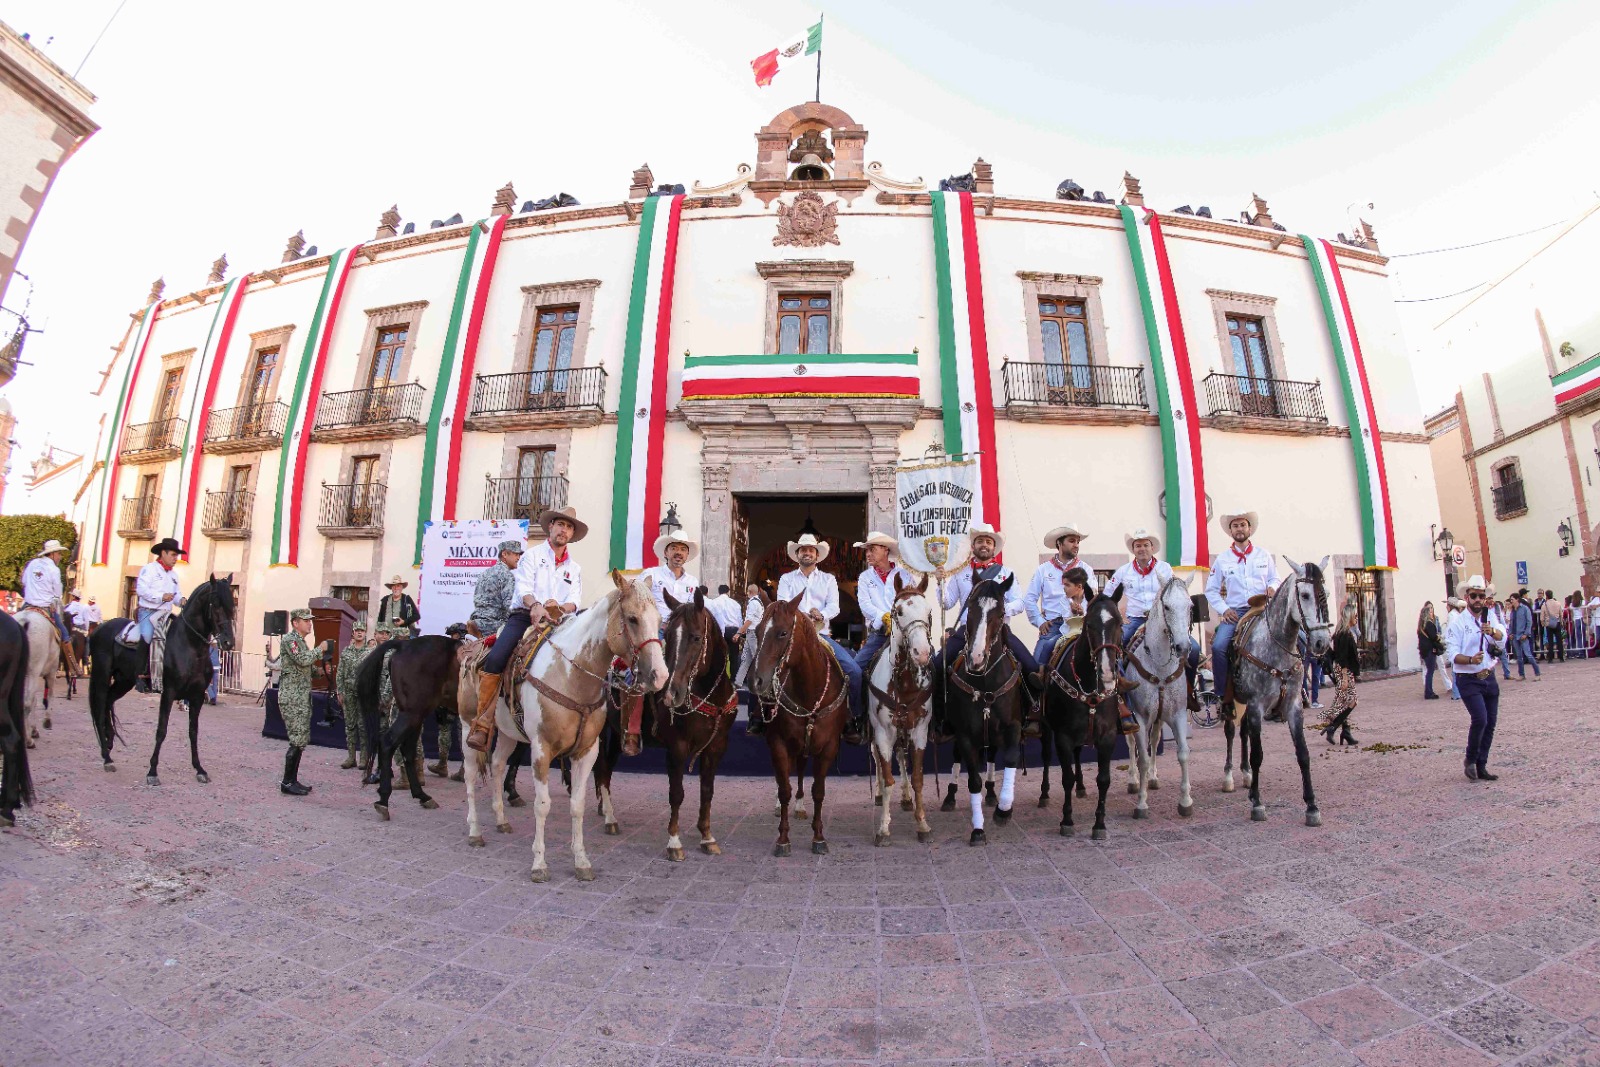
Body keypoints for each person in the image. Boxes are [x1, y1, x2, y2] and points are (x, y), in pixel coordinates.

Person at [470, 507, 584, 752]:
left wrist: (559, 607)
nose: (564, 530)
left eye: (569, 527)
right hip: (524, 617)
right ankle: (483, 722)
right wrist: (536, 605)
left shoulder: (574, 569)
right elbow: (523, 588)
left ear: (572, 534)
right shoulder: (531, 556)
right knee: (497, 657)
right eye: (560, 524)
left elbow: (575, 601)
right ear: (551, 527)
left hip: (559, 624)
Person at [933, 522, 1041, 732]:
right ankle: (941, 717)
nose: (984, 545)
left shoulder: (1005, 573)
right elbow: (947, 603)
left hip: (998, 630)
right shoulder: (960, 572)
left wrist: (997, 612)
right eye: (980, 541)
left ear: (994, 548)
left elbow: (1019, 602)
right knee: (937, 666)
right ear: (973, 546)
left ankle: (1031, 713)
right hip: (967, 630)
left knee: (1031, 667)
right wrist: (940, 583)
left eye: (988, 542)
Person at [774, 531, 867, 744]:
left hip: (820, 635)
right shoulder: (786, 579)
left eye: (810, 550)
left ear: (817, 555)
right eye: (803, 550)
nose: (807, 553)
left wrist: (822, 614)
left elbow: (834, 605)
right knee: (767, 667)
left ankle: (852, 717)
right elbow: (782, 604)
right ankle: (762, 716)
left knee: (853, 671)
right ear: (797, 554)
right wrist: (803, 616)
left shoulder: (828, 579)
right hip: (793, 635)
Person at [1204, 509, 1279, 709]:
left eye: (1242, 525)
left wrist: (1273, 587)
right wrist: (1224, 609)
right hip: (1236, 612)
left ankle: (1290, 688)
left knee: (1298, 639)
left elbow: (1275, 578)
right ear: (1231, 531)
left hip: (1263, 609)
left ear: (1250, 528)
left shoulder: (1264, 555)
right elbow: (1210, 590)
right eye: (1235, 526)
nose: (1239, 529)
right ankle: (1222, 693)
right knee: (1219, 647)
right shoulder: (1222, 559)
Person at [462, 540, 524, 752]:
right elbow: (509, 607)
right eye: (515, 554)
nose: (518, 558)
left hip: (477, 620)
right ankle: (492, 712)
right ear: (504, 554)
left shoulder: (486, 572)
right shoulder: (506, 575)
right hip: (494, 624)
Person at [1446, 575, 1504, 781]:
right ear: (1467, 597)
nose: (1478, 599)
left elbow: (1503, 638)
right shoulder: (1458, 622)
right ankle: (1470, 760)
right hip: (1468, 678)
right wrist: (1470, 659)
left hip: (1488, 675)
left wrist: (1494, 633)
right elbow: (1452, 654)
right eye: (1474, 596)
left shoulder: (1490, 617)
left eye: (1481, 595)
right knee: (1480, 718)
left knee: (1490, 723)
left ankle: (1482, 765)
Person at [1025, 522, 1099, 664]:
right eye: (1071, 541)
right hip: (1054, 626)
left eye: (1077, 542)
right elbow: (1029, 599)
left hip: (1081, 624)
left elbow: (1093, 597)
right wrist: (1040, 622)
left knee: (1107, 653)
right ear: (1059, 543)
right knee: (1036, 663)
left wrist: (1082, 608)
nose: (1076, 545)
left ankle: (1118, 682)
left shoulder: (1086, 569)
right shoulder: (1043, 570)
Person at [279, 608, 327, 796]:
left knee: (300, 739)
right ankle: (287, 782)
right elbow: (300, 659)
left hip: (301, 697)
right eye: (305, 620)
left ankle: (293, 780)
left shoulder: (301, 642)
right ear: (295, 623)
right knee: (296, 739)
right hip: (292, 698)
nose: (310, 623)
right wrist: (319, 650)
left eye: (310, 620)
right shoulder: (290, 640)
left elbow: (305, 668)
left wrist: (320, 672)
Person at [136, 538, 187, 692]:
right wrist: (161, 596)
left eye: (176, 555)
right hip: (148, 612)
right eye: (172, 554)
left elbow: (176, 595)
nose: (175, 558)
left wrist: (182, 601)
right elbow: (141, 590)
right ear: (163, 553)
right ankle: (140, 675)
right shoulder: (149, 569)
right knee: (146, 636)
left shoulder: (174, 575)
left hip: (165, 614)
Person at [1107, 527, 1172, 647]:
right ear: (1133, 550)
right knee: (1116, 644)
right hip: (1134, 619)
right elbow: (1107, 594)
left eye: (1146, 545)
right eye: (1138, 546)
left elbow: (1174, 594)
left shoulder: (1165, 568)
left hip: (1161, 619)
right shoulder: (1123, 571)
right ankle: (1120, 666)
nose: (1142, 549)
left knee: (1192, 649)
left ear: (1152, 548)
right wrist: (1117, 614)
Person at [852, 532, 908, 671]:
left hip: (904, 631)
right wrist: (884, 616)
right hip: (879, 634)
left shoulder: (904, 575)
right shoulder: (865, 577)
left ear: (885, 550)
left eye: (872, 549)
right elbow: (865, 605)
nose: (868, 554)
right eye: (867, 551)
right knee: (855, 669)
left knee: (928, 664)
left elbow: (910, 602)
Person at [1318, 601, 1362, 745]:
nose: (1356, 618)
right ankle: (1332, 727)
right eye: (1355, 615)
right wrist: (1344, 677)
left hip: (1343, 669)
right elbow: (1342, 658)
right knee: (1352, 701)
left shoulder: (1343, 633)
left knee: (1343, 700)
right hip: (1344, 670)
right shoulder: (1344, 634)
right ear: (1349, 616)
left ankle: (1346, 732)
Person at [20, 538, 72, 647]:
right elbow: (57, 593)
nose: (60, 557)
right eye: (59, 553)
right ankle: (71, 661)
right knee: (65, 635)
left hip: (27, 605)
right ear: (52, 554)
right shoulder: (54, 569)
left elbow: (24, 581)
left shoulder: (32, 563)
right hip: (45, 606)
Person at [336, 621, 373, 769]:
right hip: (348, 693)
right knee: (350, 725)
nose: (359, 633)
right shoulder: (346, 652)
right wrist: (340, 691)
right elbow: (340, 673)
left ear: (365, 633)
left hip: (363, 694)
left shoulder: (369, 652)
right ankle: (351, 757)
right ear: (353, 633)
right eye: (357, 630)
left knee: (363, 726)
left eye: (362, 631)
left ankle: (363, 758)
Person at [644, 530, 700, 626]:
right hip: (654, 629)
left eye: (683, 549)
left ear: (687, 555)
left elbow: (692, 609)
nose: (678, 552)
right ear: (666, 552)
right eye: (674, 548)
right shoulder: (651, 574)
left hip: (680, 630)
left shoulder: (692, 582)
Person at [1509, 592, 1541, 680]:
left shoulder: (1524, 609)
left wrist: (1526, 633)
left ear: (1517, 599)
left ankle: (1537, 673)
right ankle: (1521, 674)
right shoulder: (1513, 611)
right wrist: (1510, 633)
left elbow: (1529, 622)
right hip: (1515, 635)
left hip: (1523, 635)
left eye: (1512, 599)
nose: (1511, 601)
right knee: (1519, 657)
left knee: (1528, 655)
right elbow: (1511, 623)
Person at [706, 584, 744, 651]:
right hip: (733, 631)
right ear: (728, 592)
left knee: (719, 655)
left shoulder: (713, 602)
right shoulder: (735, 603)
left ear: (719, 592)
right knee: (734, 655)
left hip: (719, 631)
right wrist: (739, 633)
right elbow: (739, 619)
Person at [1417, 601, 1444, 699]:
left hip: (1424, 651)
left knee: (1429, 671)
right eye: (1430, 611)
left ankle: (1429, 691)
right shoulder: (1429, 624)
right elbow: (1434, 637)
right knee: (1430, 672)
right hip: (1429, 650)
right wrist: (1440, 644)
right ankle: (1429, 692)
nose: (1432, 613)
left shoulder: (1421, 626)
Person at [1539, 589, 1565, 664]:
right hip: (1557, 622)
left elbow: (1542, 616)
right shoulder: (1558, 603)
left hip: (1548, 624)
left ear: (1546, 596)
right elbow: (1561, 614)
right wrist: (1561, 622)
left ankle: (1550, 658)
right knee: (1559, 640)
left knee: (1550, 641)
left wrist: (1543, 624)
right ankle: (1561, 657)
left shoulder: (1545, 604)